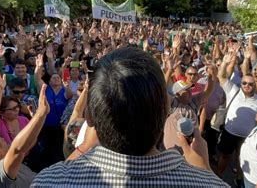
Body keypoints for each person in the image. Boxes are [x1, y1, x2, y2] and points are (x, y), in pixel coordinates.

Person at [32, 47, 228, 187]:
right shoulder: (208, 183)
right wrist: (205, 175)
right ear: (165, 111)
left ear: (90, 117)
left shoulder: (48, 181)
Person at [0, 84, 50, 187]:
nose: (5, 140)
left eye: (17, 107)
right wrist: (40, 114)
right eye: (2, 140)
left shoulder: (3, 162)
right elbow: (17, 149)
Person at [216, 50, 257, 186]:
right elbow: (221, 77)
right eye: (244, 83)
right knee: (224, 157)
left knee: (242, 160)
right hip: (229, 133)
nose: (247, 86)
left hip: (247, 138)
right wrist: (224, 63)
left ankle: (239, 180)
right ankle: (217, 178)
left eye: (251, 84)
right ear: (241, 83)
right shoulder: (233, 91)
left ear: (255, 85)